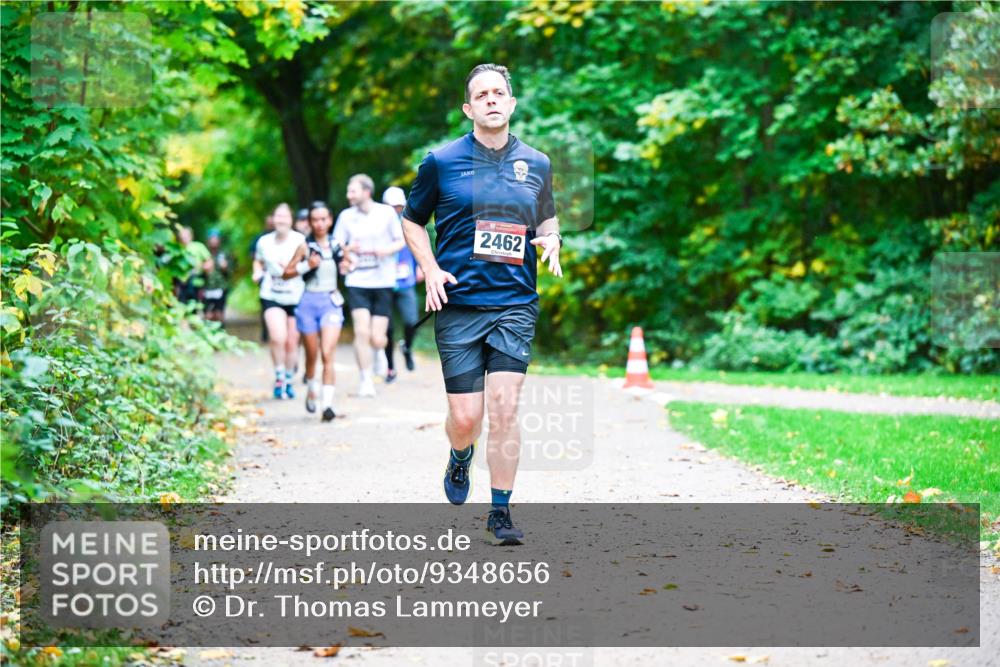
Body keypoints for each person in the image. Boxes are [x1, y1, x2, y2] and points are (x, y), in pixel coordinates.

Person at [400, 63, 562, 545]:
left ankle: (500, 512)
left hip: (515, 302)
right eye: (481, 95)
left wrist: (552, 241)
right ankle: (460, 454)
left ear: (511, 104)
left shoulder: (537, 163)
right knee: (467, 420)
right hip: (459, 303)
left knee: (505, 408)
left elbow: (547, 218)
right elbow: (412, 222)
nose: (492, 100)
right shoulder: (441, 161)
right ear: (469, 108)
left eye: (499, 93)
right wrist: (429, 268)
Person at [333, 174, 405, 398]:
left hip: (383, 280)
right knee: (361, 331)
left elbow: (402, 239)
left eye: (352, 190)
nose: (348, 195)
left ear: (366, 192)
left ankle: (379, 353)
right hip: (357, 280)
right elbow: (335, 244)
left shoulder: (385, 213)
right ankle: (365, 379)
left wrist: (387, 251)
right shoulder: (346, 216)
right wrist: (347, 248)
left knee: (377, 337)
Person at [282, 202, 350, 422]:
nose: (320, 224)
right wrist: (307, 266)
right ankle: (312, 387)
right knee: (312, 354)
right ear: (310, 222)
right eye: (315, 220)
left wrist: (347, 266)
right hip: (308, 303)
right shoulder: (305, 246)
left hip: (331, 301)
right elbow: (286, 273)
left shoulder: (338, 244)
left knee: (327, 352)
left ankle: (327, 404)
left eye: (324, 219)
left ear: (330, 220)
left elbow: (349, 264)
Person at [252, 203, 306, 400]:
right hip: (271, 295)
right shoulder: (264, 242)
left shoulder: (300, 240)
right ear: (273, 219)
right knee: (277, 337)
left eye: (285, 216)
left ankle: (289, 378)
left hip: (295, 296)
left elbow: (310, 264)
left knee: (292, 342)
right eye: (278, 216)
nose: (281, 220)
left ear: (290, 220)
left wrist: (293, 267)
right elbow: (258, 260)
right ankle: (279, 376)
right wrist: (257, 271)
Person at [382, 186, 423, 383]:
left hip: (405, 279)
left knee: (411, 320)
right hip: (383, 282)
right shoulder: (378, 224)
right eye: (391, 207)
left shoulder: (409, 222)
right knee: (386, 329)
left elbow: (418, 245)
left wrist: (420, 266)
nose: (395, 210)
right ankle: (390, 367)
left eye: (398, 206)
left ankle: (407, 347)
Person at [250, 214, 276, 343]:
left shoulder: (284, 239)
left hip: (281, 277)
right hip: (264, 278)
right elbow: (253, 256)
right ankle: (266, 333)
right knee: (266, 306)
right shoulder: (259, 239)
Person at [201, 229, 230, 324]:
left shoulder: (224, 254)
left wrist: (225, 268)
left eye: (216, 238)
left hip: (221, 287)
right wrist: (203, 268)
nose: (214, 241)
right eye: (212, 238)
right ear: (208, 240)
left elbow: (231, 272)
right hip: (206, 287)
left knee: (219, 314)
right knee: (208, 314)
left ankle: (220, 333)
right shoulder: (203, 253)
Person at [177, 226, 211, 305]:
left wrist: (200, 267)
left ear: (191, 236)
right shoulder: (177, 248)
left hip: (196, 279)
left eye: (186, 236)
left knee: (195, 303)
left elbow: (209, 262)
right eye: (182, 236)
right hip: (181, 281)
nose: (184, 238)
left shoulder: (198, 246)